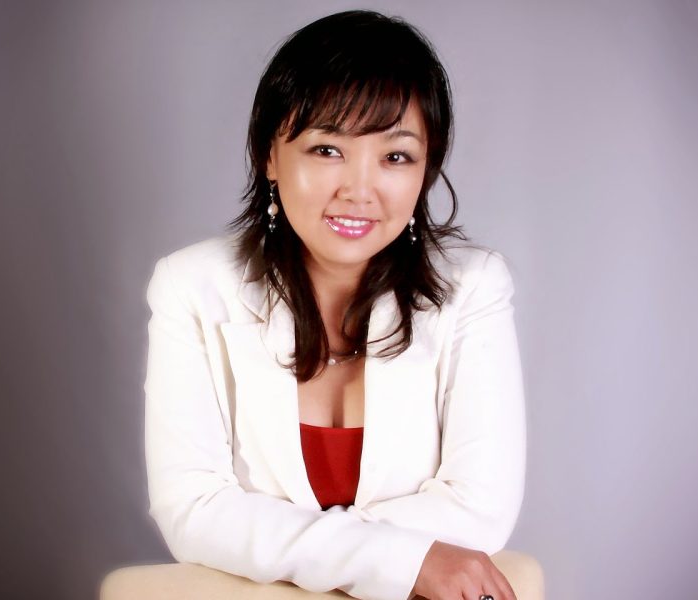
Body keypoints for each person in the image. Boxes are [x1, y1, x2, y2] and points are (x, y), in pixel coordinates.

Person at [143, 10, 525, 600]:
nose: (359, 190)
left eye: (395, 156)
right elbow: (192, 511)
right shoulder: (191, 287)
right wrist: (403, 560)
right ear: (270, 156)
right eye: (327, 149)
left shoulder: (473, 287)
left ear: (426, 169)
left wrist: (269, 539)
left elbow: (481, 509)